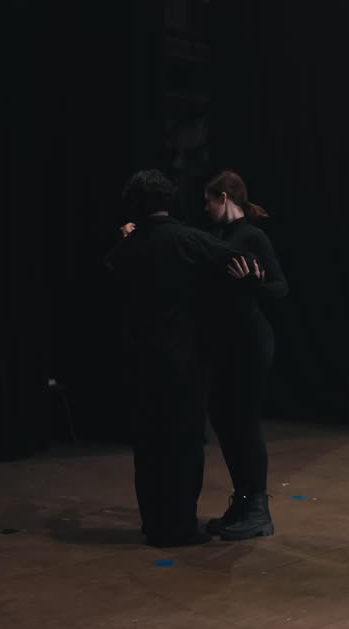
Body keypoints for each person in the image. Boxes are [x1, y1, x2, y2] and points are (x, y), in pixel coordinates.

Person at [106, 169, 251, 548]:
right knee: (183, 442)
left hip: (139, 359)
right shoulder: (188, 240)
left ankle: (154, 522)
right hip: (183, 358)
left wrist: (126, 239)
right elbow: (240, 261)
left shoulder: (129, 246)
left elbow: (113, 276)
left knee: (149, 445)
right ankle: (180, 525)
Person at [199, 171, 289, 541]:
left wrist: (254, 286)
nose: (204, 208)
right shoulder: (221, 237)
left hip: (251, 344)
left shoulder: (251, 235)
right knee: (226, 422)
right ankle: (243, 501)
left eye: (208, 200)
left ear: (223, 198)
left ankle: (258, 509)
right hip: (229, 345)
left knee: (244, 423)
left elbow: (280, 288)